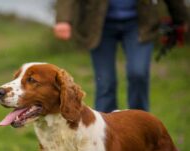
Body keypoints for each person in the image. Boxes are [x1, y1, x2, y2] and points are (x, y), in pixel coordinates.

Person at [54, 0, 188, 113]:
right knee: (105, 82)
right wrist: (63, 19)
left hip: (140, 23)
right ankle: (105, 132)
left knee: (138, 73)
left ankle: (139, 125)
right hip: (100, 25)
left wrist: (182, 18)